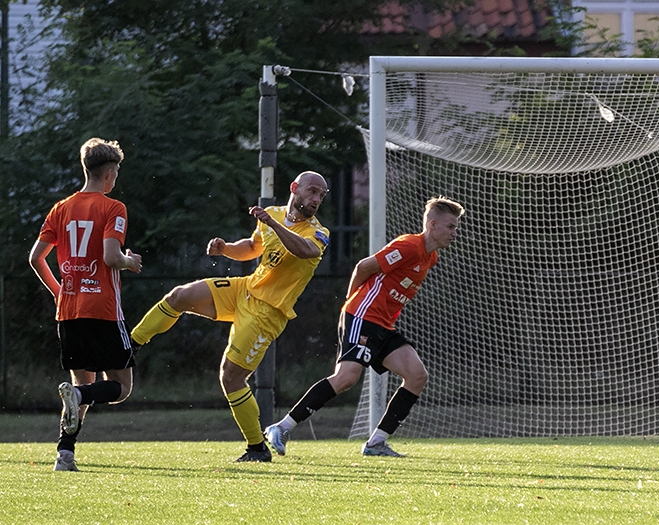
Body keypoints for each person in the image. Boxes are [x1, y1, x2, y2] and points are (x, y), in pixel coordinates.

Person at [129, 171, 331, 462]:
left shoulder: (318, 231)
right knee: (179, 296)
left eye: (321, 196)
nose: (316, 199)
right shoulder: (273, 214)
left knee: (231, 377)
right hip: (245, 290)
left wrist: (272, 223)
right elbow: (252, 248)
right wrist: (225, 249)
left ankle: (257, 448)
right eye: (312, 191)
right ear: (294, 188)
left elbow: (304, 250)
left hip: (267, 312)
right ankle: (130, 345)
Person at [265, 196, 465, 458]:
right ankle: (281, 427)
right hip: (362, 315)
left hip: (384, 325)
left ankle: (376, 443)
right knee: (347, 378)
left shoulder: (431, 257)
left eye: (456, 227)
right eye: (451, 226)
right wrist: (351, 304)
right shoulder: (409, 246)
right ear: (433, 224)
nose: (455, 232)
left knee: (417, 376)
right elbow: (364, 267)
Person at [29, 138, 143, 472]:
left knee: (82, 386)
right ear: (109, 174)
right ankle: (78, 402)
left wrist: (58, 291)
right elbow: (110, 256)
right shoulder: (113, 208)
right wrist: (130, 261)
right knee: (120, 388)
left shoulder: (60, 208)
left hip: (69, 311)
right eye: (117, 171)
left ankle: (64, 454)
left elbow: (36, 258)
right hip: (103, 310)